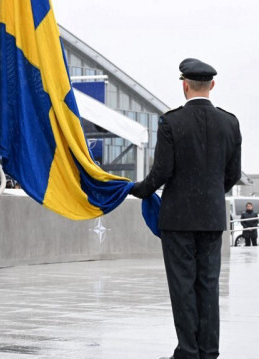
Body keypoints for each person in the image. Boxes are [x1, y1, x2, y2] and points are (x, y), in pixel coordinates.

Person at [130, 58, 242, 359]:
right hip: (212, 217)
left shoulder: (171, 122)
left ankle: (188, 351)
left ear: (185, 85)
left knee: (182, 286)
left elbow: (161, 172)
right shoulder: (230, 123)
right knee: (208, 285)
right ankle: (209, 351)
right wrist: (210, 196)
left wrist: (137, 189)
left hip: (177, 218)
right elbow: (232, 174)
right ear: (212, 86)